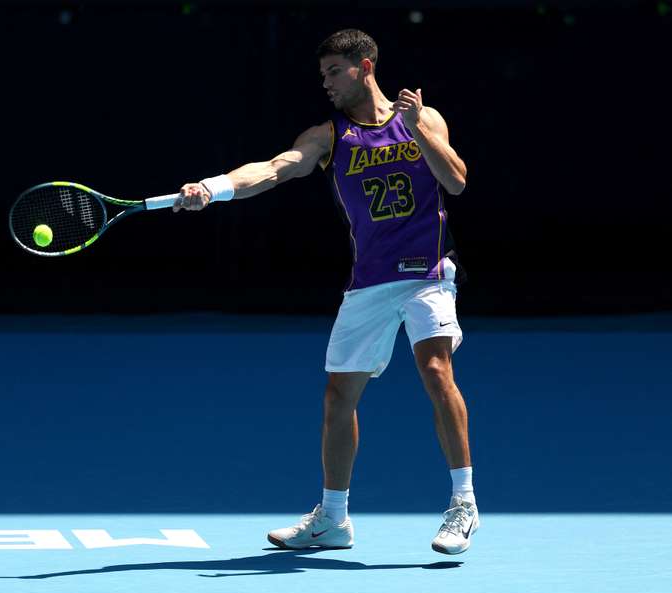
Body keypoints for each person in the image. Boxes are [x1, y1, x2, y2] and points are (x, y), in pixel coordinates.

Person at [174, 29, 477, 555]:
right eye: (322, 76)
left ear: (365, 66)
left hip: (427, 269)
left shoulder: (423, 118)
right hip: (370, 280)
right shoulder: (329, 135)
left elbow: (456, 182)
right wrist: (213, 188)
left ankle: (463, 504)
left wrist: (416, 131)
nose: (327, 84)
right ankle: (333, 519)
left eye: (335, 72)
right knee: (340, 396)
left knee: (435, 368)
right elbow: (272, 169)